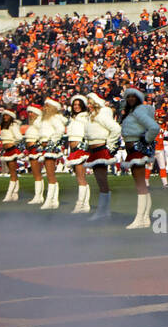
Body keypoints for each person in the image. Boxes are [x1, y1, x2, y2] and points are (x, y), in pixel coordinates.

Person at [119, 87, 161, 229]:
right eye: (128, 97)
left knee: (140, 185)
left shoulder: (138, 112)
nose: (130, 99)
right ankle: (145, 218)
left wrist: (144, 141)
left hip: (137, 148)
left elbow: (154, 128)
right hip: (133, 149)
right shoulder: (132, 112)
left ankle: (139, 219)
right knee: (142, 184)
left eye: (133, 97)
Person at [83, 92, 122, 221]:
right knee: (100, 181)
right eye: (87, 103)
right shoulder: (91, 116)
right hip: (94, 150)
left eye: (90, 103)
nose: (88, 105)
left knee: (102, 181)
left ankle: (103, 211)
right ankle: (104, 210)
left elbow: (116, 129)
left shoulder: (101, 115)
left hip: (100, 149)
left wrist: (110, 146)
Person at [64, 95, 93, 213]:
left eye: (78, 105)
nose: (76, 107)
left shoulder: (86, 117)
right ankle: (85, 204)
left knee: (81, 177)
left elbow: (89, 132)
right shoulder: (72, 118)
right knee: (80, 177)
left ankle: (80, 204)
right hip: (73, 149)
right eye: (74, 105)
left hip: (81, 148)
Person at [38, 99, 67, 211]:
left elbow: (60, 130)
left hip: (50, 147)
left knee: (50, 174)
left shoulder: (54, 118)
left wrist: (51, 142)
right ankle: (53, 200)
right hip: (45, 146)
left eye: (47, 105)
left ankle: (50, 199)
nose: (45, 107)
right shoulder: (45, 119)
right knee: (49, 174)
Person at [0, 108, 24, 202]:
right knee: (13, 172)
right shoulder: (3, 125)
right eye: (4, 115)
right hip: (6, 150)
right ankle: (15, 193)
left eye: (7, 115)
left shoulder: (13, 125)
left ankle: (9, 194)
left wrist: (13, 143)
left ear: (11, 116)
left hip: (12, 149)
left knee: (12, 173)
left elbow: (19, 137)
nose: (5, 117)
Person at [24, 105, 46, 205]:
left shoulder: (39, 123)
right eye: (29, 113)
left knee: (37, 174)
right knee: (36, 174)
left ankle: (38, 196)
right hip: (31, 150)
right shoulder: (33, 124)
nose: (30, 114)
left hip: (35, 150)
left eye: (32, 112)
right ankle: (39, 196)